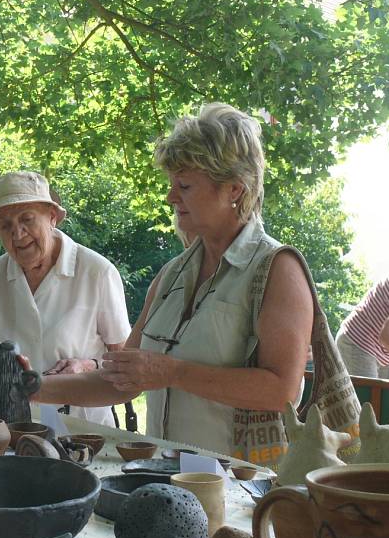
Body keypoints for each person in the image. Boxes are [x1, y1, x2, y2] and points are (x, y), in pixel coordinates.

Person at [28, 103, 314, 455]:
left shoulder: (276, 269)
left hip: (240, 486)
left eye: (185, 185)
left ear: (235, 190)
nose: (170, 196)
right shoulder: (172, 274)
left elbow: (282, 390)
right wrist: (31, 387)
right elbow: (122, 381)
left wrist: (172, 372)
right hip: (168, 476)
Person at [0, 171, 132, 426]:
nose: (17, 234)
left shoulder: (96, 272)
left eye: (27, 219)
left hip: (82, 427)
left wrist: (88, 365)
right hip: (9, 427)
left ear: (52, 217)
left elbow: (125, 363)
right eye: (5, 225)